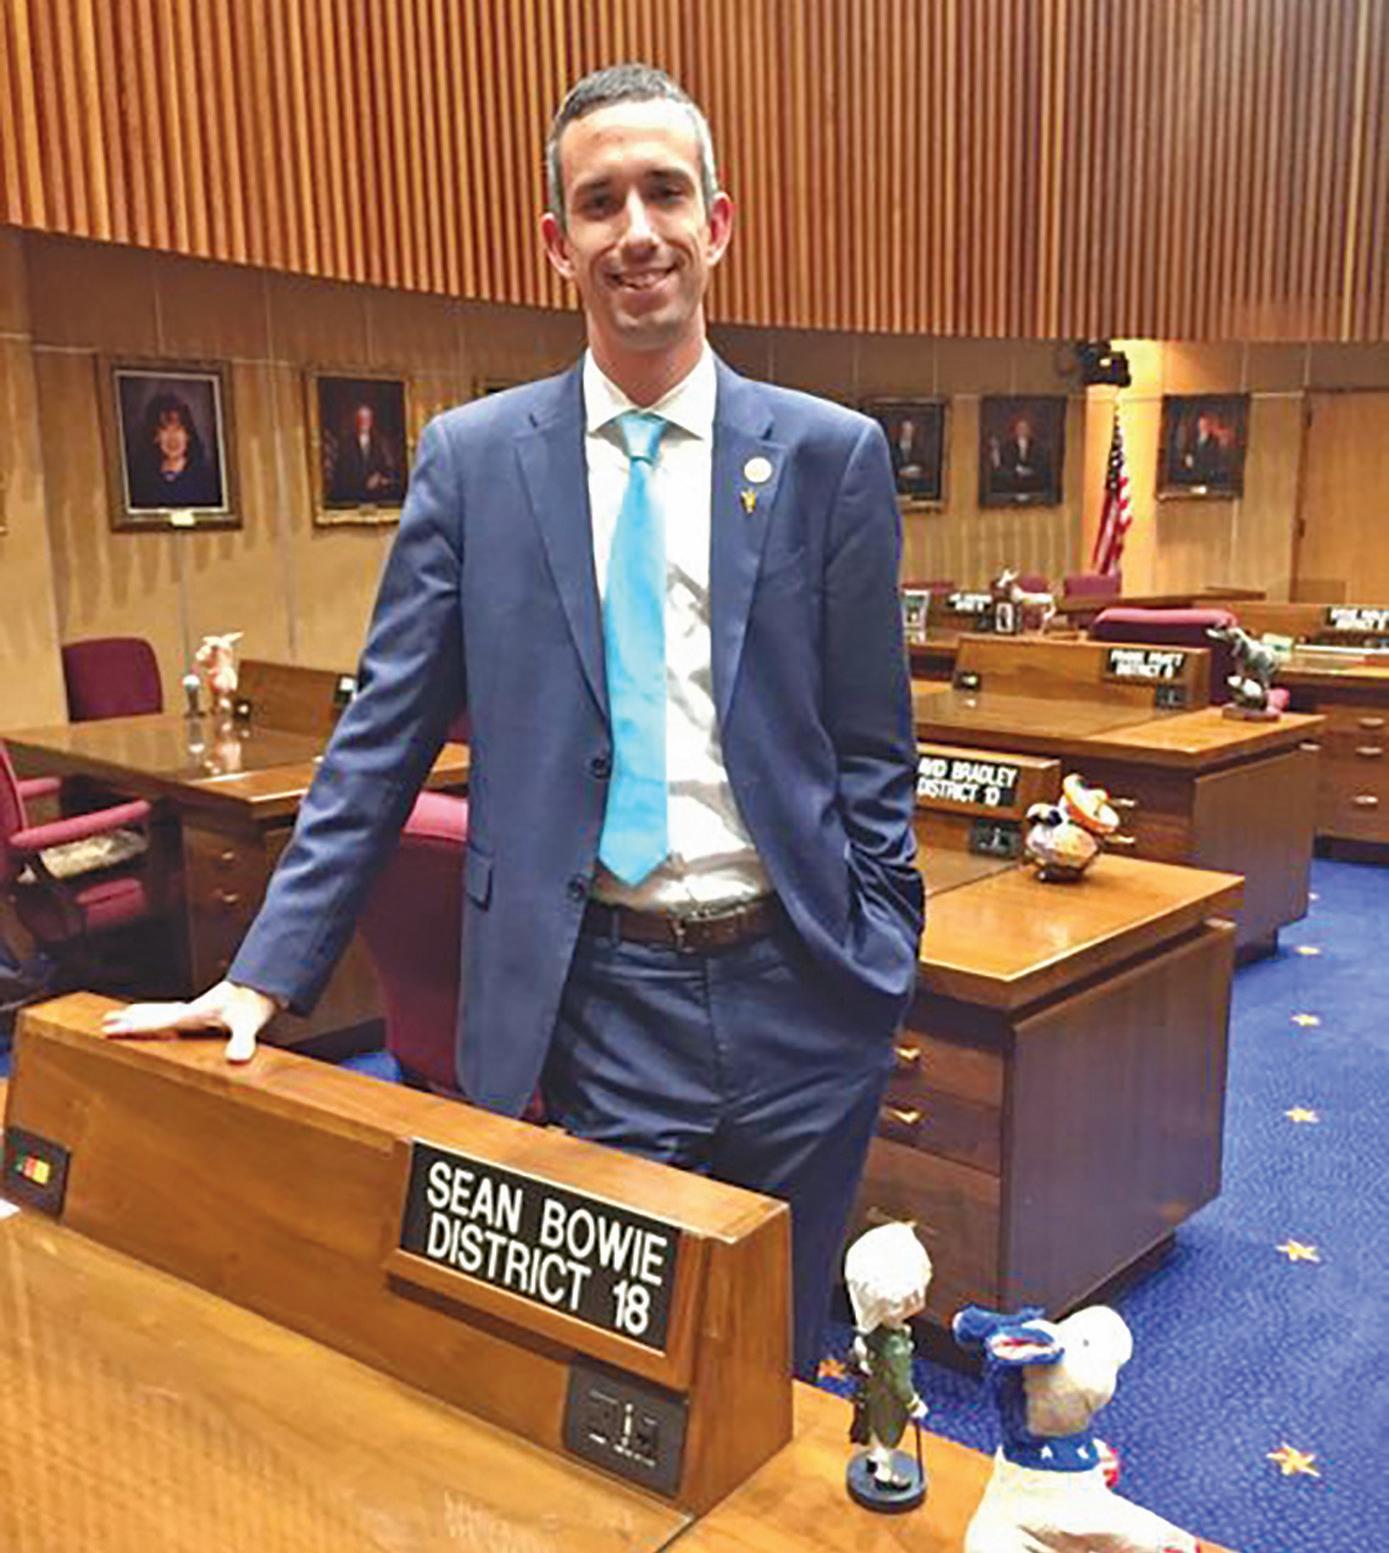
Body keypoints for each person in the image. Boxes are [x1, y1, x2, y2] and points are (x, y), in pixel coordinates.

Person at [104, 63, 924, 1379]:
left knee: (783, 1354)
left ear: (718, 222)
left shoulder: (830, 455)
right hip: (603, 993)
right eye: (600, 203)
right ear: (557, 243)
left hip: (804, 986)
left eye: (665, 193)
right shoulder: (474, 462)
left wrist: (881, 941)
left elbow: (871, 741)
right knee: (623, 1373)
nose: (636, 230)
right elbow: (383, 737)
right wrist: (262, 972)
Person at [127, 390, 220, 509]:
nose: (172, 438)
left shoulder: (206, 478)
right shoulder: (142, 480)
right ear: (155, 437)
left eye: (178, 429)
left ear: (188, 435)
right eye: (165, 430)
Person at [328, 400, 404, 504]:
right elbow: (341, 473)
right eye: (360, 419)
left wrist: (378, 478)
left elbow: (388, 469)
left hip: (377, 497)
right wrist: (360, 484)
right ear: (356, 421)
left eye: (366, 419)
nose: (363, 422)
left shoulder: (380, 442)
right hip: (352, 496)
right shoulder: (346, 444)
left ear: (371, 421)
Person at [993, 413, 1051, 496]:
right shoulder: (1008, 446)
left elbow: (1040, 463)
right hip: (1013, 479)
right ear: (1015, 430)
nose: (1022, 430)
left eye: (1024, 428)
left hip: (1032, 479)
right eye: (1020, 428)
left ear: (1029, 430)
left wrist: (1029, 470)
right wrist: (1016, 470)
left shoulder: (1037, 446)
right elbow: (1005, 463)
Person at [1177, 409, 1230, 486]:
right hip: (1192, 472)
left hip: (1206, 473)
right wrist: (1187, 457)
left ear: (1208, 425)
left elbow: (1214, 458)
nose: (1201, 426)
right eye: (1200, 424)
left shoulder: (1214, 441)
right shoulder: (1193, 438)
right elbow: (1187, 450)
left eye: (1204, 424)